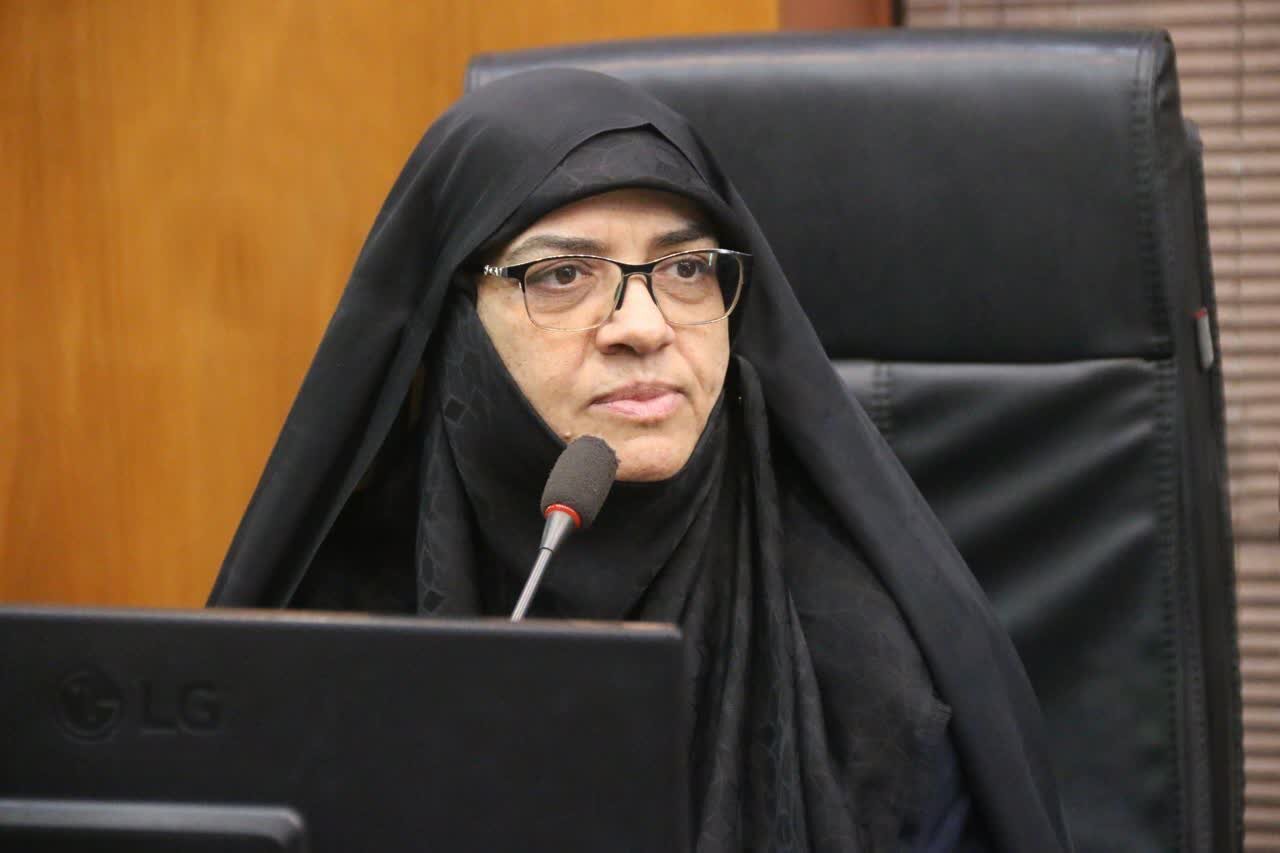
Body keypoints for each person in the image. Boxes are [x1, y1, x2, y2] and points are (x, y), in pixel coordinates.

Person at [208, 68, 1070, 851]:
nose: (645, 325)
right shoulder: (325, 646)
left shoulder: (869, 667)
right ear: (454, 320)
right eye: (562, 275)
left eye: (687, 268)